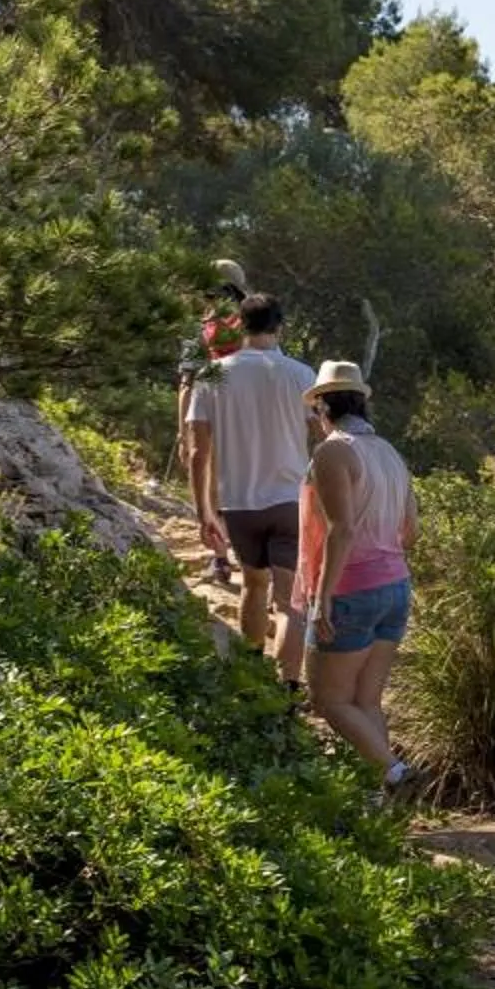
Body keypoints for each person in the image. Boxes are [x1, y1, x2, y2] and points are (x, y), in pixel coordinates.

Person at [295, 361, 418, 788]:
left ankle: (396, 772)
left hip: (350, 587)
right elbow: (411, 531)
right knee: (366, 699)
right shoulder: (390, 453)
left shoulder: (333, 452)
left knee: (328, 699)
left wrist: (323, 597)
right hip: (396, 585)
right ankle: (380, 797)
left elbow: (341, 529)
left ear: (323, 407)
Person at [187, 293, 316, 691]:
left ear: (240, 325)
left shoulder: (212, 376)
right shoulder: (301, 375)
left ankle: (252, 676)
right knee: (289, 600)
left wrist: (203, 511)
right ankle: (289, 688)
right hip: (290, 499)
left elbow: (197, 453)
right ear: (280, 326)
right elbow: (325, 438)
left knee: (252, 586)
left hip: (238, 501)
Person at [181, 261, 251, 586]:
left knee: (212, 486)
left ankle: (221, 560)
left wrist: (185, 432)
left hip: (210, 407)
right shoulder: (254, 323)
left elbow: (187, 381)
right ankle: (250, 561)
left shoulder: (200, 328)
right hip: (250, 412)